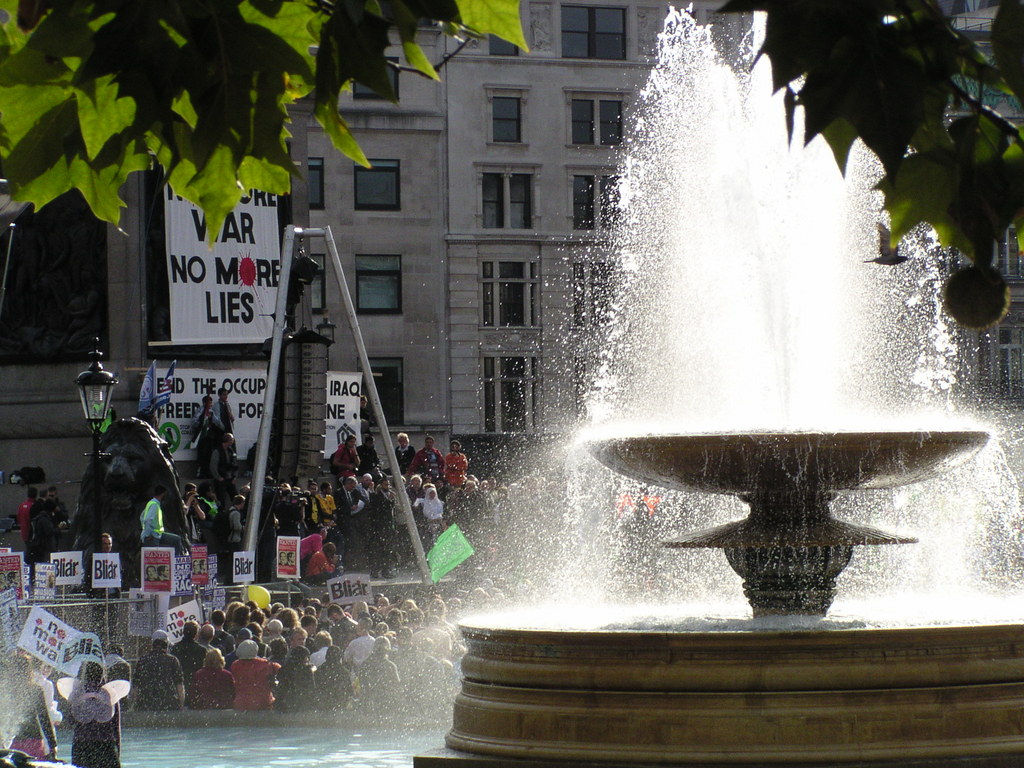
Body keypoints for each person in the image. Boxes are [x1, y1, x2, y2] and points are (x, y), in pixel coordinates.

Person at [59, 660, 130, 768]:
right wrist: (117, 749)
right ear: (103, 674)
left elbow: (70, 721)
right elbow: (116, 725)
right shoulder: (109, 693)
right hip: (105, 743)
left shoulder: (77, 693)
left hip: (82, 744)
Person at [6, 654, 58, 761]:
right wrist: (52, 745)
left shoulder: (8, 691)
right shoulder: (35, 690)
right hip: (34, 739)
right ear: (29, 671)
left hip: (15, 740)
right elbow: (44, 718)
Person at [131, 631, 184, 710]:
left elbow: (135, 687)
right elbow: (179, 685)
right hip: (168, 704)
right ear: (166, 646)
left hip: (146, 704)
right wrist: (181, 704)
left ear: (152, 645)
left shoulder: (143, 660)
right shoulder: (172, 660)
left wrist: (134, 704)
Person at [231, 639, 280, 711]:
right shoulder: (266, 664)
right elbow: (280, 669)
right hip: (263, 703)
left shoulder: (235, 665)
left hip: (241, 703)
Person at [367, 478, 398, 579]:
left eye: (388, 485)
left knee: (387, 550)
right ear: (381, 485)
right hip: (379, 527)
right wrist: (389, 500)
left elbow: (391, 511)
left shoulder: (390, 495)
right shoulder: (376, 496)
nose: (387, 487)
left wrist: (392, 500)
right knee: (378, 551)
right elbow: (381, 509)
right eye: (385, 485)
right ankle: (376, 570)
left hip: (388, 527)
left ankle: (386, 570)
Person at [140, 485, 184, 554]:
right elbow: (147, 520)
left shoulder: (151, 503)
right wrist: (148, 533)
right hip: (152, 536)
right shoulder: (154, 505)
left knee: (176, 539)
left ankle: (174, 559)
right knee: (154, 557)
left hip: (158, 534)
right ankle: (175, 558)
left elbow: (141, 517)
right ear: (163, 494)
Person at [170, 621, 207, 696]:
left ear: (183, 632)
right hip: (196, 686)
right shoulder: (201, 650)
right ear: (196, 634)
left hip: (178, 685)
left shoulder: (175, 648)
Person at [190, 395, 223, 479]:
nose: (210, 405)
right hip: (202, 437)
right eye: (209, 403)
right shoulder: (200, 411)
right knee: (202, 455)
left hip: (210, 437)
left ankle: (209, 472)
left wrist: (212, 418)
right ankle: (200, 472)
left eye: (211, 403)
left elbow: (219, 423)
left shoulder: (211, 412)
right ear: (204, 403)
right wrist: (202, 422)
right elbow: (194, 422)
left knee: (210, 455)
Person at [274, 646, 315, 712]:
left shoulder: (284, 668)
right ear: (302, 657)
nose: (307, 659)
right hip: (301, 705)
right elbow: (311, 687)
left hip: (284, 704)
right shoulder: (306, 670)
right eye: (306, 657)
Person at [313, 645, 352, 711]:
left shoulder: (320, 670)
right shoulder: (344, 671)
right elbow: (349, 689)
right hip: (340, 704)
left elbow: (316, 687)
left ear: (326, 656)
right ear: (339, 657)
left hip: (323, 704)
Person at [210, 432, 238, 513]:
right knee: (220, 498)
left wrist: (235, 476)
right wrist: (218, 477)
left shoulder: (231, 451)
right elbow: (213, 466)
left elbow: (235, 465)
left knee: (235, 496)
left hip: (230, 478)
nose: (232, 442)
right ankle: (221, 513)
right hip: (221, 479)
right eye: (231, 440)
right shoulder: (217, 451)